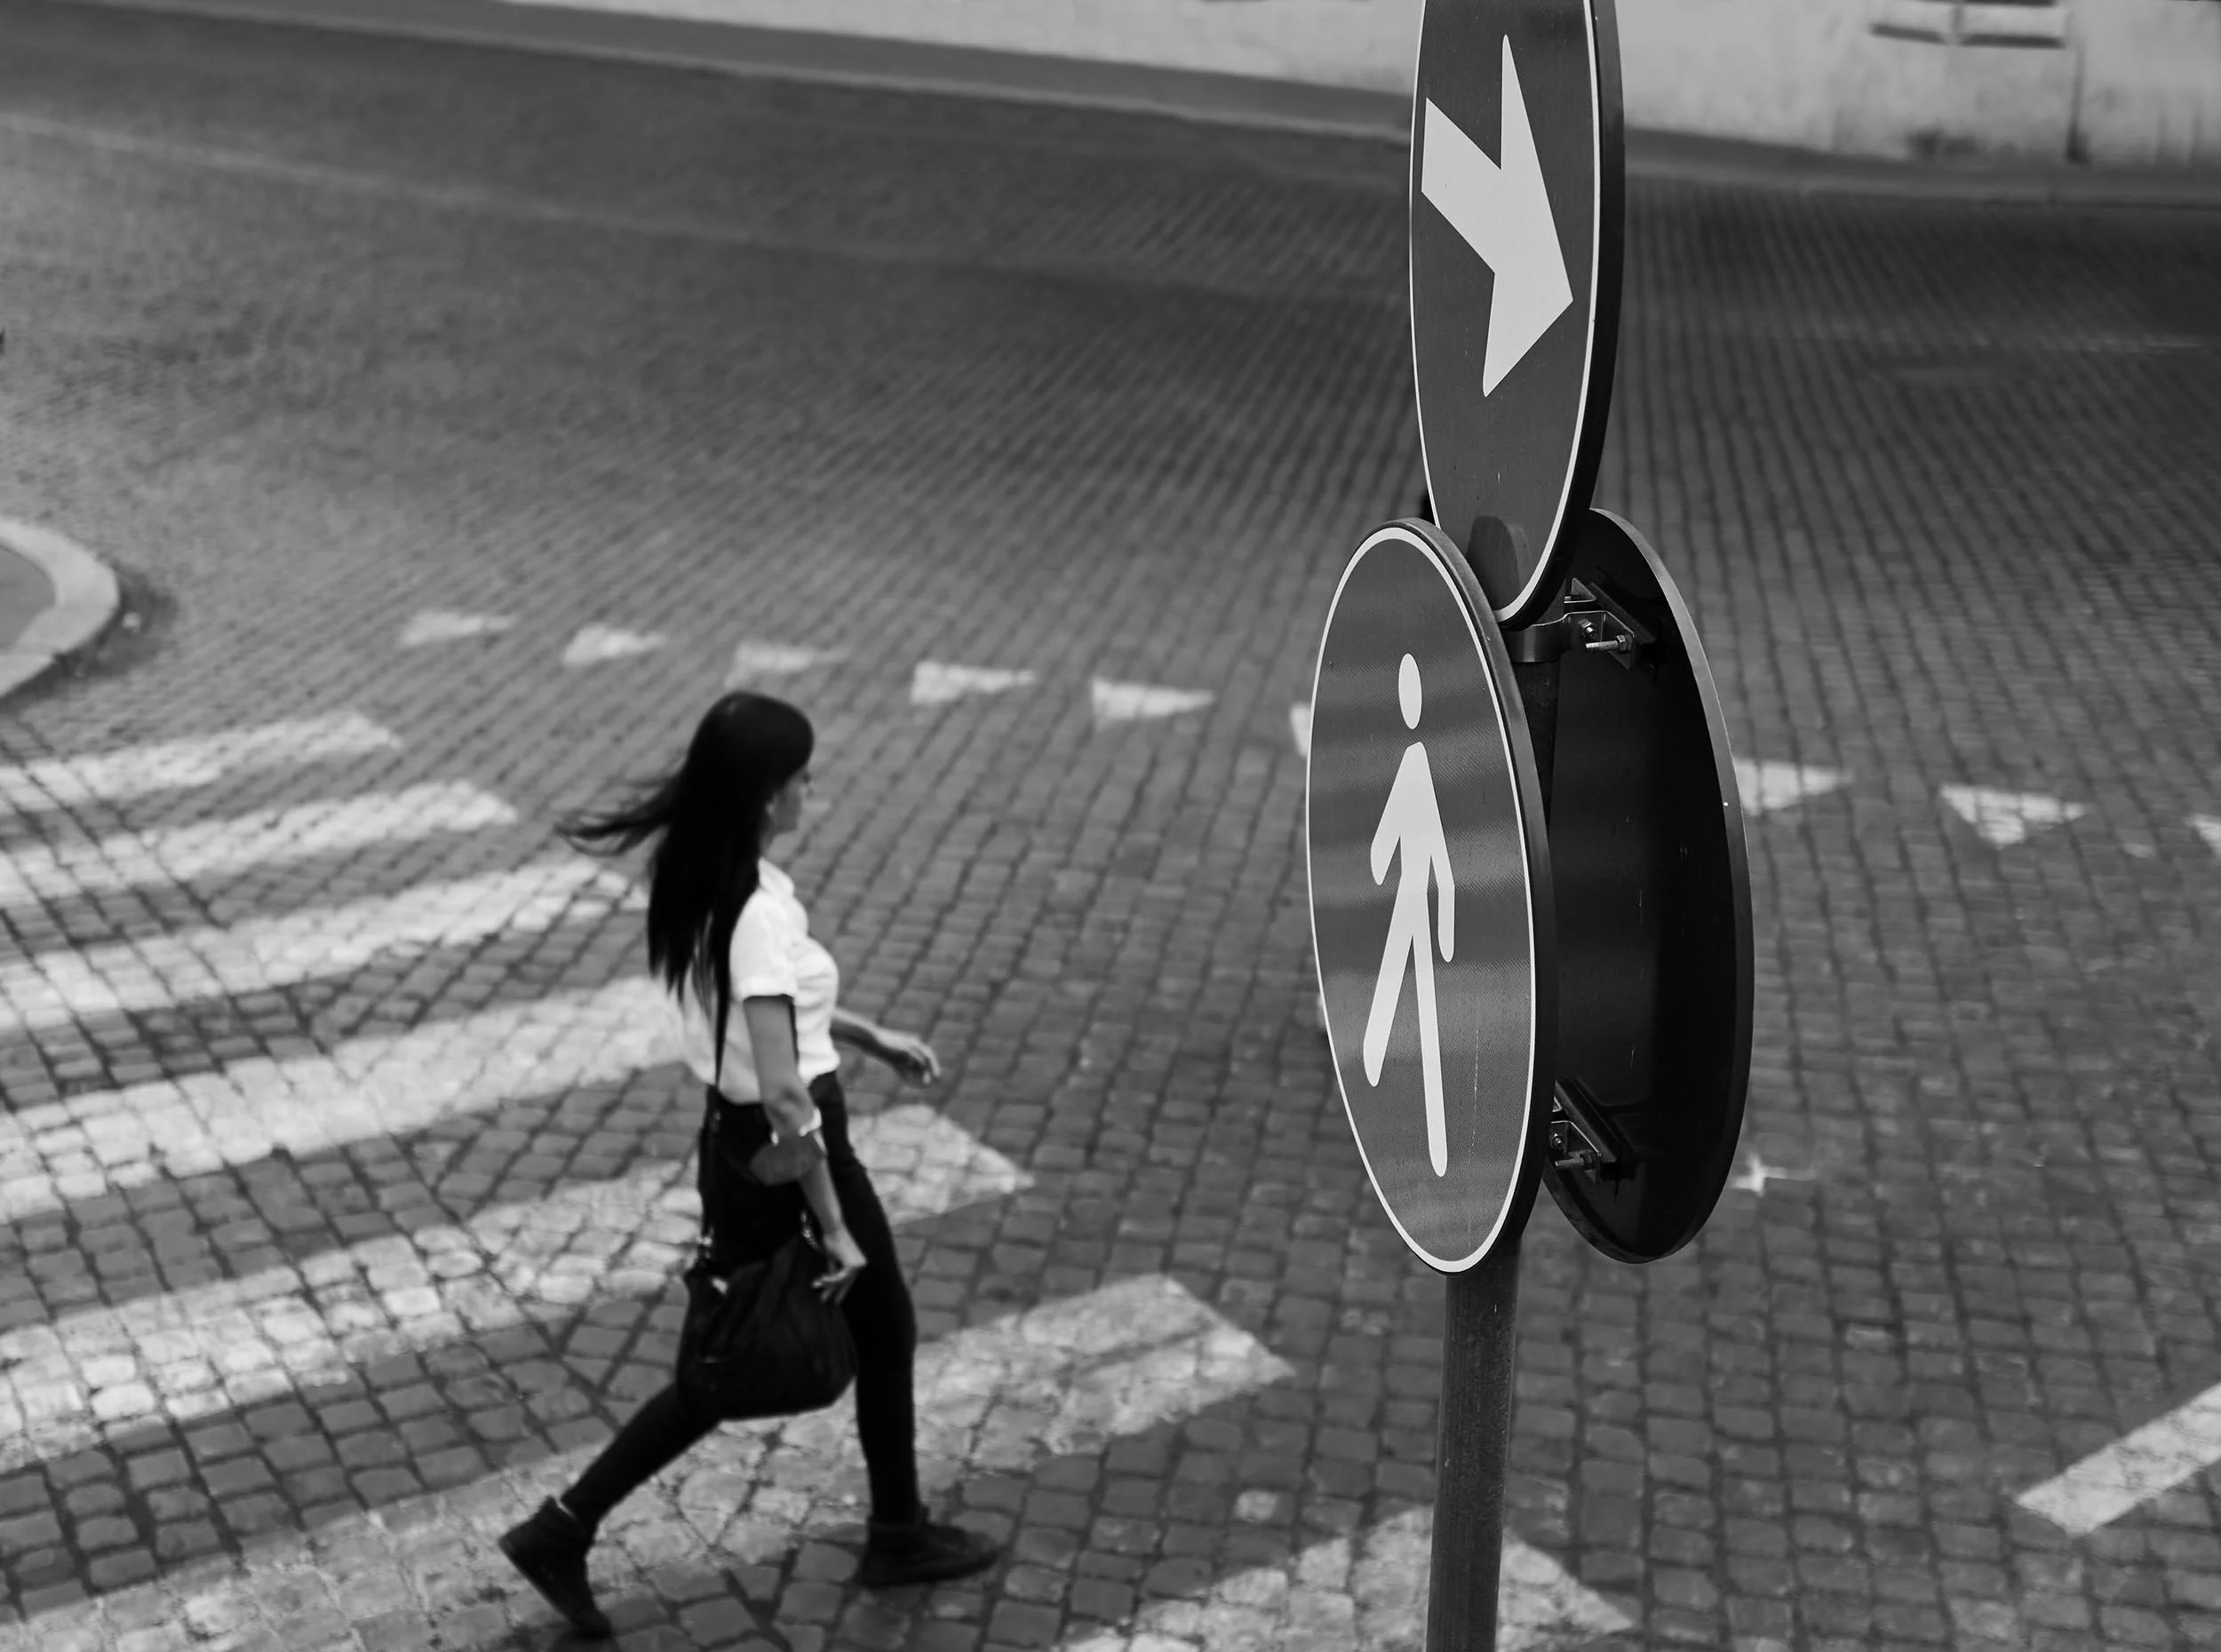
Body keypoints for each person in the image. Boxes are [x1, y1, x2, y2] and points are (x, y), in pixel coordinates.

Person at [497, 690, 1001, 1638]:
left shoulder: (701, 876)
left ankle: (896, 1526)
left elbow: (769, 1021)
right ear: (768, 797)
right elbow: (780, 1090)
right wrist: (836, 1222)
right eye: (803, 776)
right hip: (787, 1150)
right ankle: (565, 1528)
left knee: (867, 1331)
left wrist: (869, 1034)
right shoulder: (755, 912)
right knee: (734, 1363)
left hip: (741, 1145)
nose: (814, 789)